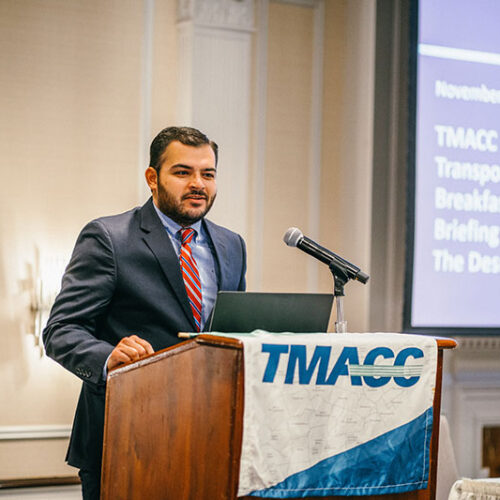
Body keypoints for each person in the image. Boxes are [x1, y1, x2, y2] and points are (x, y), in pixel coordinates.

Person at [43, 126, 247, 500]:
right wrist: (108, 357)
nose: (198, 184)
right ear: (153, 178)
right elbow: (61, 330)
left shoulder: (232, 245)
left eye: (208, 173)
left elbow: (235, 333)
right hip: (124, 439)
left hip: (211, 441)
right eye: (183, 172)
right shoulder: (109, 238)